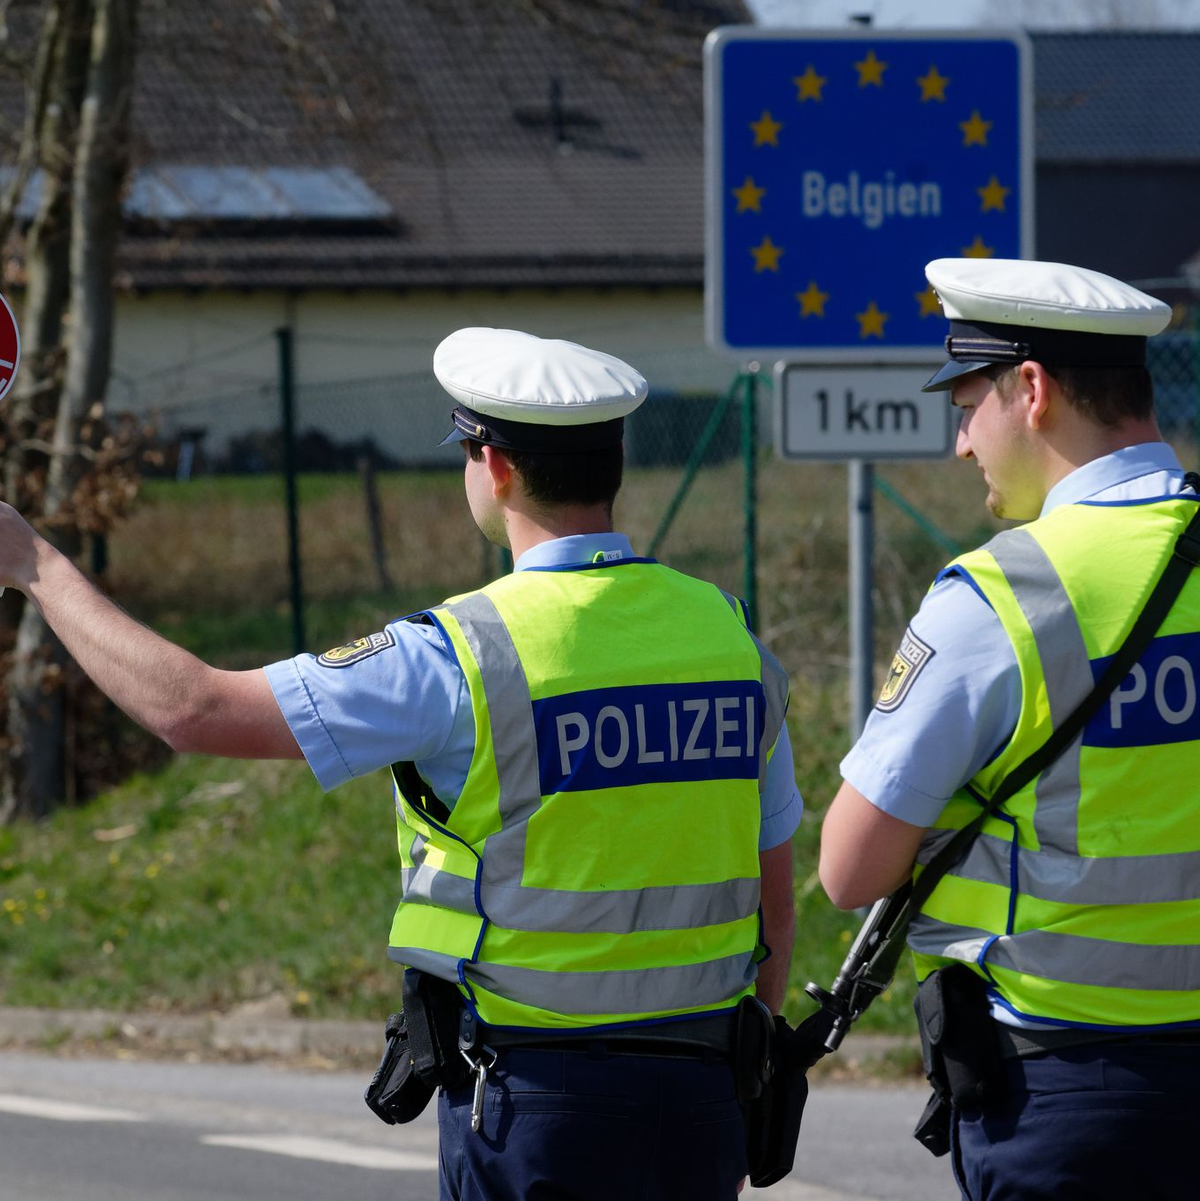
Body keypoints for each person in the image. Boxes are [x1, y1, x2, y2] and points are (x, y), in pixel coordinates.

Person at [0, 326, 801, 1200]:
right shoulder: (730, 639)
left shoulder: (462, 654)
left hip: (537, 1108)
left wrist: (35, 564)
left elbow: (193, 710)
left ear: (492, 467)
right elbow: (773, 888)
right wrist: (747, 1046)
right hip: (702, 1097)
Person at [819, 257, 1200, 1201]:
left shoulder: (999, 597)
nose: (960, 443)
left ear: (1030, 390)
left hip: (1069, 1094)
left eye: (967, 402)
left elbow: (850, 870)